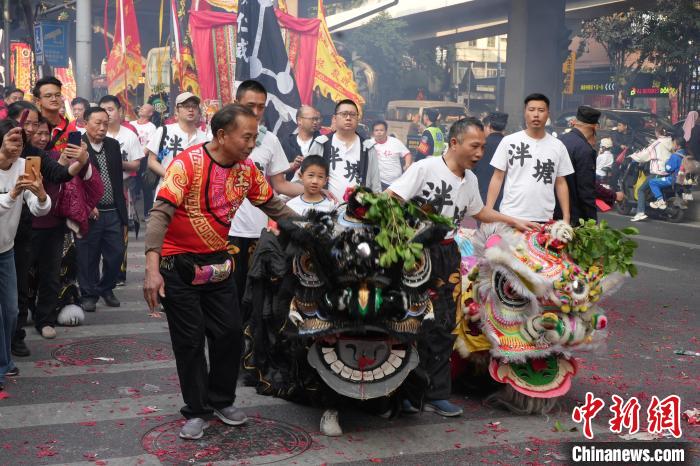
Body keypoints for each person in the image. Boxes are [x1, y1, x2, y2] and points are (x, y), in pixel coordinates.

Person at [142, 104, 297, 440]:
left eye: (255, 136)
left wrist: (310, 229)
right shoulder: (187, 164)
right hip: (178, 266)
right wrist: (152, 270)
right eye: (247, 136)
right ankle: (197, 410)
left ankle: (222, 400)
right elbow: (159, 215)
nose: (252, 143)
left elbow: (274, 206)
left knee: (228, 333)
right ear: (223, 135)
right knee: (191, 341)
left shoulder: (247, 171)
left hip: (218, 265)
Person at [386, 117, 538, 421]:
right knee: (409, 322)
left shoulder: (469, 180)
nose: (480, 152)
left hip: (448, 255)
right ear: (454, 143)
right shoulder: (424, 168)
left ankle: (436, 394)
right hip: (416, 255)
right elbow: (391, 198)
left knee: (444, 325)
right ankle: (402, 393)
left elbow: (478, 211)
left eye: (483, 146)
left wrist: (513, 221)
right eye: (475, 145)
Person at [7, 101, 88, 355]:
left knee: (20, 288)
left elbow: (58, 175)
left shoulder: (31, 156)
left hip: (20, 234)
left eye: (35, 125)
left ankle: (17, 336)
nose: (30, 130)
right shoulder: (9, 151)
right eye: (26, 123)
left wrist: (79, 161)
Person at [228, 80, 305, 306]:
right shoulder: (219, 137)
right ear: (236, 103)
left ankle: (246, 338)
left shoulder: (270, 141)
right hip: (225, 231)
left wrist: (314, 190)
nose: (256, 112)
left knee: (252, 294)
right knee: (226, 292)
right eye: (250, 105)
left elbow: (279, 185)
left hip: (257, 231)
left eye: (261, 107)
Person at [26, 117, 93, 339]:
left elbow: (62, 175)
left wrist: (78, 161)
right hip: (25, 228)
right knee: (21, 275)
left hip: (53, 225)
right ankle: (16, 324)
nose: (43, 137)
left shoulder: (52, 157)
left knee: (50, 275)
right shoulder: (18, 157)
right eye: (38, 133)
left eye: (46, 133)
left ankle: (44, 319)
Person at [0, 122, 51, 390]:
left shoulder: (24, 166)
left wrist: (41, 194)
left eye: (20, 142)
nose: (16, 146)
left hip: (5, 249)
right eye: (11, 140)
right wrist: (12, 194)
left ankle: (5, 361)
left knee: (10, 312)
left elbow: (38, 208)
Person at [486, 93, 573, 224]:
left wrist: (566, 217)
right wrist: (488, 210)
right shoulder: (509, 141)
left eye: (541, 110)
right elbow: (498, 177)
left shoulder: (558, 146)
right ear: (525, 112)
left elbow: (560, 182)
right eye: (531, 110)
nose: (536, 114)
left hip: (544, 218)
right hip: (511, 216)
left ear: (548, 114)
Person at [75, 107, 128, 310]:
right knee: (88, 256)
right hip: (89, 212)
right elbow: (73, 181)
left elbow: (116, 180)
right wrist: (87, 204)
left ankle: (106, 287)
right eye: (97, 123)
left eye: (106, 123)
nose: (102, 127)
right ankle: (89, 294)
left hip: (113, 210)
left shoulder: (113, 145)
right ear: (85, 123)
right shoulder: (78, 146)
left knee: (116, 254)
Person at [146, 92, 208, 193]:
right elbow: (152, 161)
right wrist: (172, 178)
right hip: (166, 192)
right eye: (186, 106)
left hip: (193, 196)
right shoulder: (164, 131)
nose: (191, 109)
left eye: (194, 106)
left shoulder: (204, 138)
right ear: (176, 110)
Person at [319, 99, 381, 200]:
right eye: (344, 114)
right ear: (334, 118)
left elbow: (375, 183)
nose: (348, 118)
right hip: (326, 208)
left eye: (352, 115)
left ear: (358, 119)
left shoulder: (368, 148)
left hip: (358, 210)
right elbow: (306, 175)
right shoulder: (321, 143)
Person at [554, 106, 600, 226]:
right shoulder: (584, 150)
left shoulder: (558, 141)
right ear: (595, 127)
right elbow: (586, 190)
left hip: (550, 211)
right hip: (573, 216)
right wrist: (592, 223)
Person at [630, 126, 674, 222]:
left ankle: (640, 212)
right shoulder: (670, 142)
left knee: (641, 190)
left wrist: (633, 156)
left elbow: (645, 155)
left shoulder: (657, 144)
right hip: (667, 171)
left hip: (657, 172)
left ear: (657, 133)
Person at [280, 105, 325, 180]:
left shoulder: (322, 141)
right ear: (299, 120)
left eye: (316, 119)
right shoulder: (287, 141)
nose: (315, 122)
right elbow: (278, 169)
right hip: (292, 189)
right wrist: (294, 165)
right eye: (312, 119)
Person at [473, 111, 508, 205]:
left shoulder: (480, 145)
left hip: (483, 194)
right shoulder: (510, 145)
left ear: (488, 126)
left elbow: (472, 168)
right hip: (505, 197)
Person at [33, 76, 71, 152]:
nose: (54, 99)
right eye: (48, 96)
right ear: (38, 101)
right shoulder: (32, 127)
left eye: (57, 95)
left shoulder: (71, 128)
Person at [648, 135, 686, 210]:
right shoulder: (686, 155)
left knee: (652, 182)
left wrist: (666, 162)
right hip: (683, 180)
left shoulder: (675, 156)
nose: (672, 145)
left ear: (678, 146)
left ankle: (660, 200)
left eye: (674, 144)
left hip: (673, 179)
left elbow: (668, 168)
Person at [371, 120, 412, 190]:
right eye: (376, 130)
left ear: (386, 131)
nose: (379, 132)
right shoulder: (369, 144)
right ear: (373, 132)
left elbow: (407, 154)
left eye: (381, 130)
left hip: (396, 182)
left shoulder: (395, 142)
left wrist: (407, 164)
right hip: (379, 182)